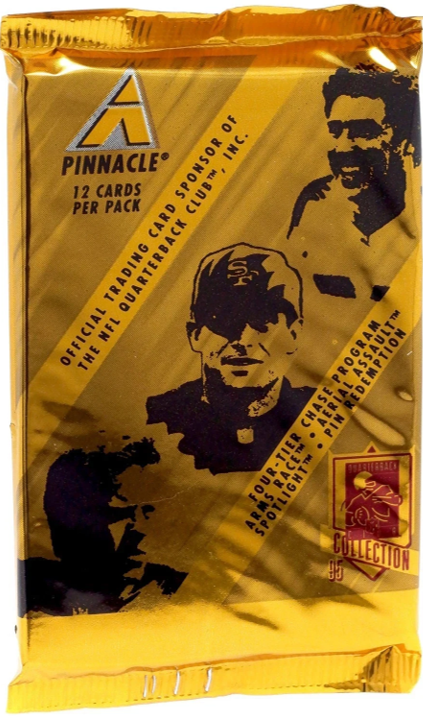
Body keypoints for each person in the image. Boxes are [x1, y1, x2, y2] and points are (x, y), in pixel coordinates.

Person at [285, 65, 421, 378]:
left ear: (404, 142)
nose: (342, 148)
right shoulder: (313, 202)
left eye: (364, 132)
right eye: (336, 131)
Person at [147, 243, 314, 474]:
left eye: (262, 321)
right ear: (194, 334)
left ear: (294, 334)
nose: (243, 340)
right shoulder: (156, 419)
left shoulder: (321, 414)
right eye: (224, 320)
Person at [19, 439, 187, 616]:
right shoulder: (82, 468)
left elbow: (84, 514)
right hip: (83, 555)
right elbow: (80, 515)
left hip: (87, 558)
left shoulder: (88, 469)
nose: (116, 488)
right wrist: (129, 513)